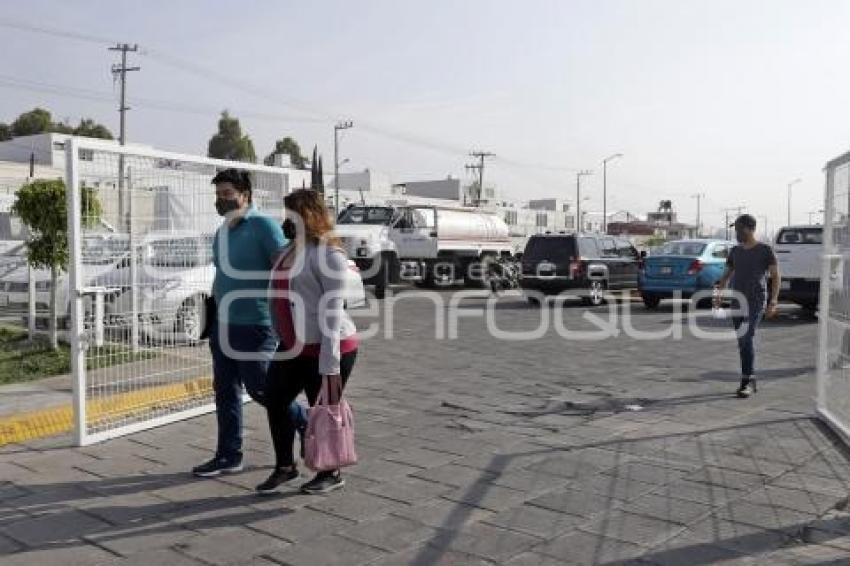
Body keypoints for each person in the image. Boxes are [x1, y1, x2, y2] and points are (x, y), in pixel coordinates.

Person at [193, 168, 306, 477]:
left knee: (262, 390)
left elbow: (287, 269)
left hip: (257, 324)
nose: (222, 201)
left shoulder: (263, 226)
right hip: (224, 324)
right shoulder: (222, 231)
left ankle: (305, 421)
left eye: (227, 195)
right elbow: (222, 274)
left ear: (245, 195)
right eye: (218, 196)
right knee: (225, 391)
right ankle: (229, 455)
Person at [258, 189, 359, 495]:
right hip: (292, 345)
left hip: (328, 347)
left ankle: (331, 471)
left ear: (308, 216)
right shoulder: (289, 251)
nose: (284, 221)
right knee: (275, 400)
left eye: (291, 215)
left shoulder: (329, 255)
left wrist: (330, 364)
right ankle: (285, 467)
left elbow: (331, 311)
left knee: (324, 409)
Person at [715, 214, 781, 398]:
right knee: (742, 342)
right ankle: (750, 378)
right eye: (735, 229)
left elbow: (775, 276)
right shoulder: (735, 251)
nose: (736, 233)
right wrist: (719, 293)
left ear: (750, 229)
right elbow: (726, 275)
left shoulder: (765, 250)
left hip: (756, 301)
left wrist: (773, 301)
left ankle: (747, 381)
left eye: (739, 229)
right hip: (737, 301)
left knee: (746, 336)